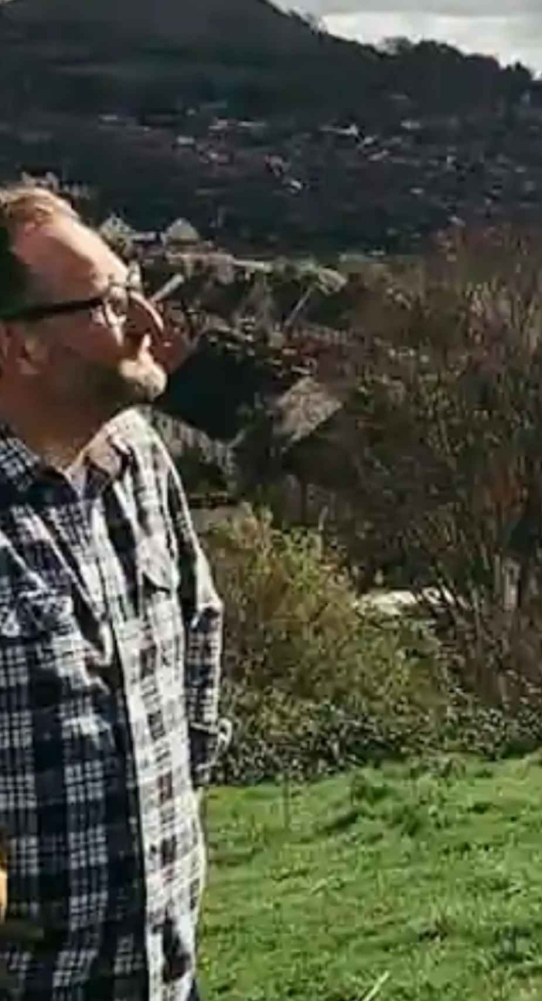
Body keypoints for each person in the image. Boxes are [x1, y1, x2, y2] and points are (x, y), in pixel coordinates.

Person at [0, 185, 227, 1000]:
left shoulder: (140, 461)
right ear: (21, 346)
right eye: (108, 302)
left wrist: (173, 817)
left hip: (165, 975)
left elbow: (199, 629)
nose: (149, 323)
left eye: (133, 288)